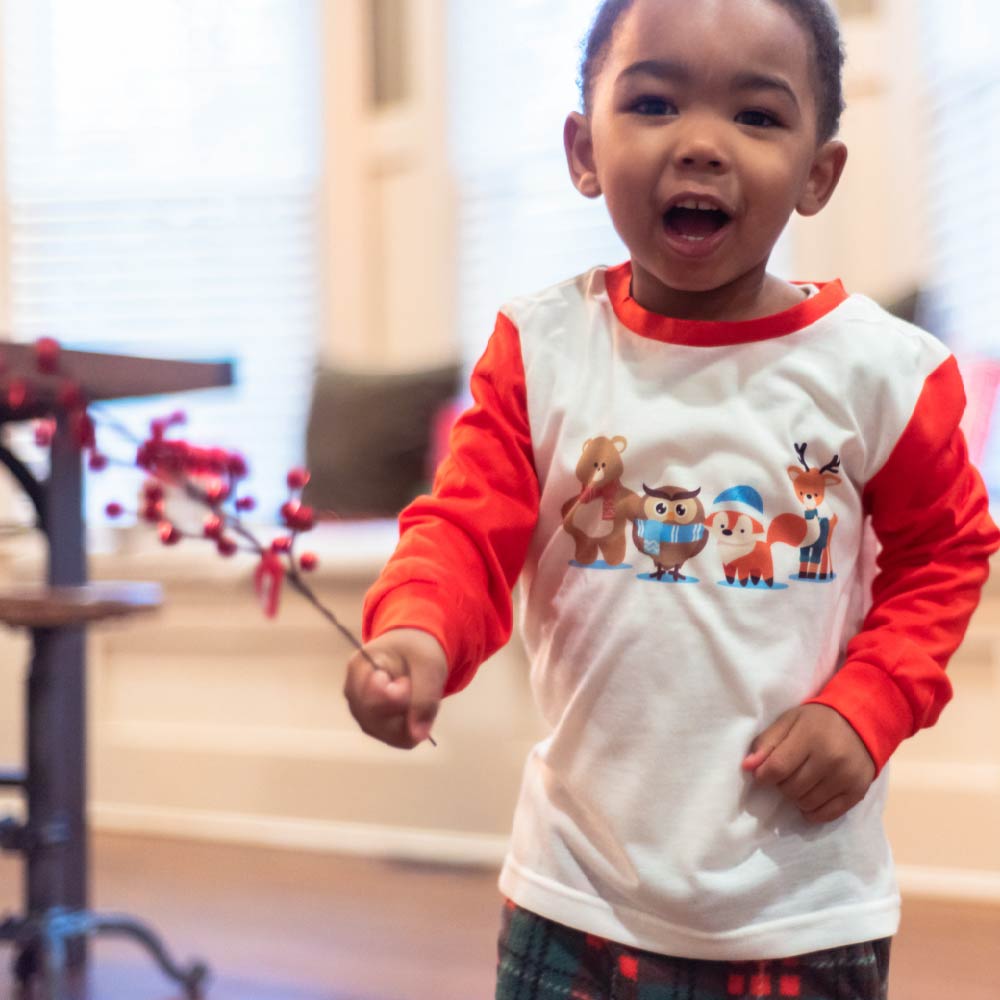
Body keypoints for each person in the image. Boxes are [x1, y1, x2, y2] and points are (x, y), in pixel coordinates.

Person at [343, 0, 1000, 996]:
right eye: (653, 103)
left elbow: (945, 554)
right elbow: (465, 532)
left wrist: (870, 703)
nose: (699, 143)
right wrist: (415, 632)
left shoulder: (885, 373)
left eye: (756, 115)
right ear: (584, 151)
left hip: (803, 903)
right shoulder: (540, 350)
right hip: (574, 893)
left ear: (818, 174)